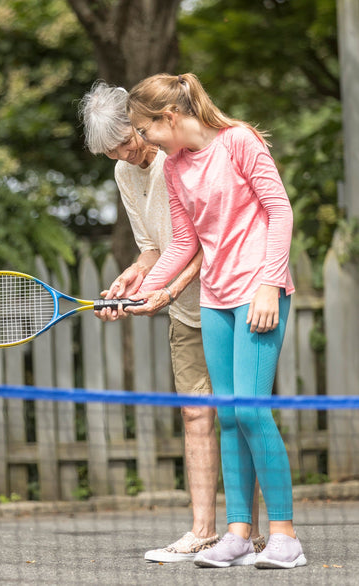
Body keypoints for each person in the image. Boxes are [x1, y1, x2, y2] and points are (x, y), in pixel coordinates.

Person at [125, 72, 306, 570]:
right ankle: (238, 535)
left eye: (145, 129)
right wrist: (145, 291)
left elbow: (279, 211)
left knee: (250, 411)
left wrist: (270, 281)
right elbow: (184, 245)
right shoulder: (177, 168)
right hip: (214, 297)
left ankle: (285, 537)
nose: (143, 140)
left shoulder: (239, 142)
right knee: (228, 415)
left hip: (258, 292)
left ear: (169, 117)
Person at [78, 81, 265, 563]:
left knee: (241, 413)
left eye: (127, 140)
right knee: (194, 413)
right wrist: (134, 277)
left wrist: (165, 289)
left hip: (231, 297)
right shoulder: (126, 171)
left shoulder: (178, 154)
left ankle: (252, 533)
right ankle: (204, 531)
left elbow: (209, 240)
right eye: (111, 150)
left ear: (145, 124)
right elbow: (155, 246)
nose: (122, 154)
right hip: (182, 309)